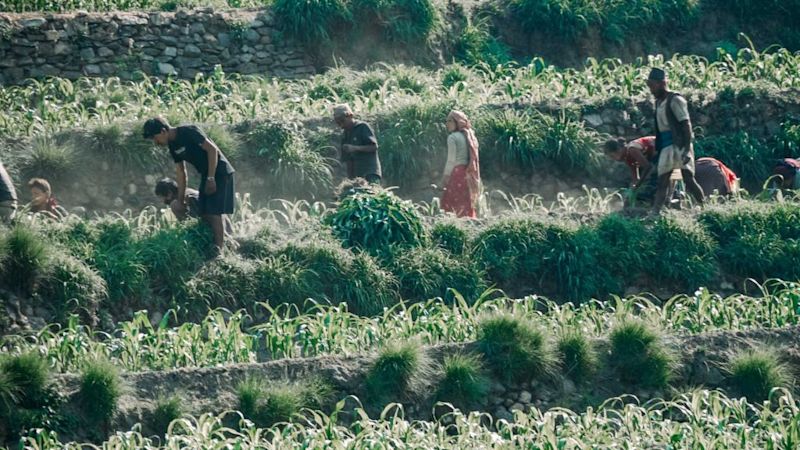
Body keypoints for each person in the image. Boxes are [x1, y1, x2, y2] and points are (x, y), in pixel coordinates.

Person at [143, 118, 235, 253]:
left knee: (213, 211)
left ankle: (219, 250)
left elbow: (212, 150)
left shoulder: (188, 131)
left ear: (163, 131)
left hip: (219, 171)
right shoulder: (173, 146)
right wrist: (180, 202)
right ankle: (218, 244)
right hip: (206, 174)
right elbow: (181, 172)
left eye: (155, 138)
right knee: (204, 211)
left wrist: (211, 178)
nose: (156, 143)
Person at [647, 68, 705, 213]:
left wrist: (686, 150)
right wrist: (657, 149)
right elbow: (660, 130)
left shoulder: (675, 100)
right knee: (662, 182)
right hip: (666, 146)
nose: (651, 90)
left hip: (679, 145)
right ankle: (655, 213)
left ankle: (705, 207)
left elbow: (686, 125)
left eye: (652, 86)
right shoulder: (659, 102)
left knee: (688, 180)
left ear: (661, 84)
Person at [440, 110, 481, 218]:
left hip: (457, 173)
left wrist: (446, 175)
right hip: (468, 173)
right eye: (446, 121)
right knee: (466, 202)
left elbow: (451, 160)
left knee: (450, 204)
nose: (447, 124)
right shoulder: (470, 136)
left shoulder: (452, 137)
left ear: (457, 122)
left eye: (450, 121)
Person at [334, 104, 382, 184]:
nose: (341, 125)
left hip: (370, 173)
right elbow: (348, 160)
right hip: (357, 178)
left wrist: (355, 148)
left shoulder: (362, 127)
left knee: (372, 194)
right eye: (339, 123)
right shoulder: (345, 135)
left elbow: (373, 147)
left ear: (350, 116)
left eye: (343, 121)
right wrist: (350, 181)